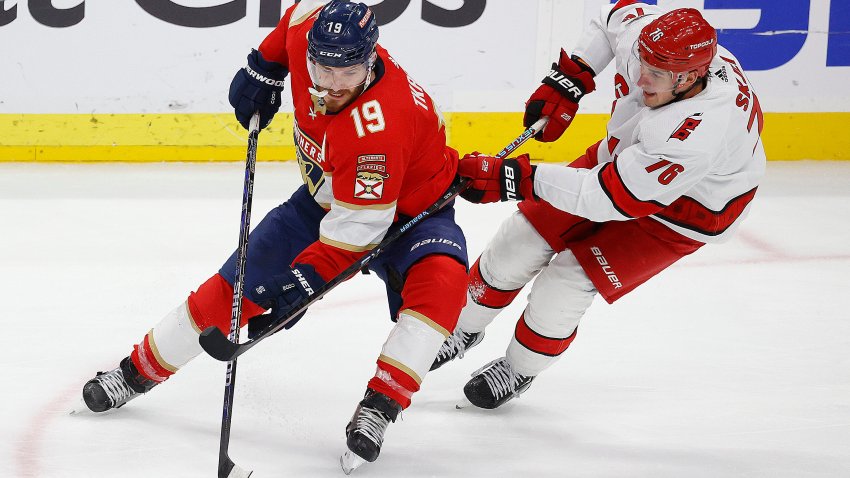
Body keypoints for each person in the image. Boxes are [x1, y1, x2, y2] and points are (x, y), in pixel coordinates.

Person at [81, 0, 468, 469]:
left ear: (370, 60)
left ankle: (380, 406)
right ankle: (134, 372)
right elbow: (295, 18)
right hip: (325, 200)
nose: (329, 84)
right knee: (234, 286)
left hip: (414, 215)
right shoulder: (311, 34)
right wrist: (265, 67)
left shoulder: (377, 130)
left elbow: (356, 237)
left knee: (441, 288)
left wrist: (304, 280)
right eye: (320, 68)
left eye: (345, 74)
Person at [430, 2, 766, 410]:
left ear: (691, 77)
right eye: (641, 62)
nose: (641, 79)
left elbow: (610, 198)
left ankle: (519, 368)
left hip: (687, 210)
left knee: (566, 282)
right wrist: (569, 80)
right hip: (625, 162)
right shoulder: (657, 48)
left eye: (656, 75)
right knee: (520, 240)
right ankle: (463, 328)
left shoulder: (700, 129)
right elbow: (615, 18)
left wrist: (515, 178)